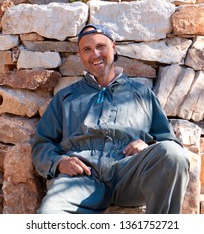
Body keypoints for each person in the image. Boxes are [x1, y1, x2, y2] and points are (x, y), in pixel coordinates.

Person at [32, 24, 190, 214]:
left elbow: (169, 142)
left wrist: (148, 145)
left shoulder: (142, 94)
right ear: (80, 55)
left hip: (129, 174)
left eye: (101, 46)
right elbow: (42, 144)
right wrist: (59, 163)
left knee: (173, 154)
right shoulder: (65, 97)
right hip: (81, 179)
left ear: (113, 48)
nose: (95, 54)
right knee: (50, 214)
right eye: (87, 49)